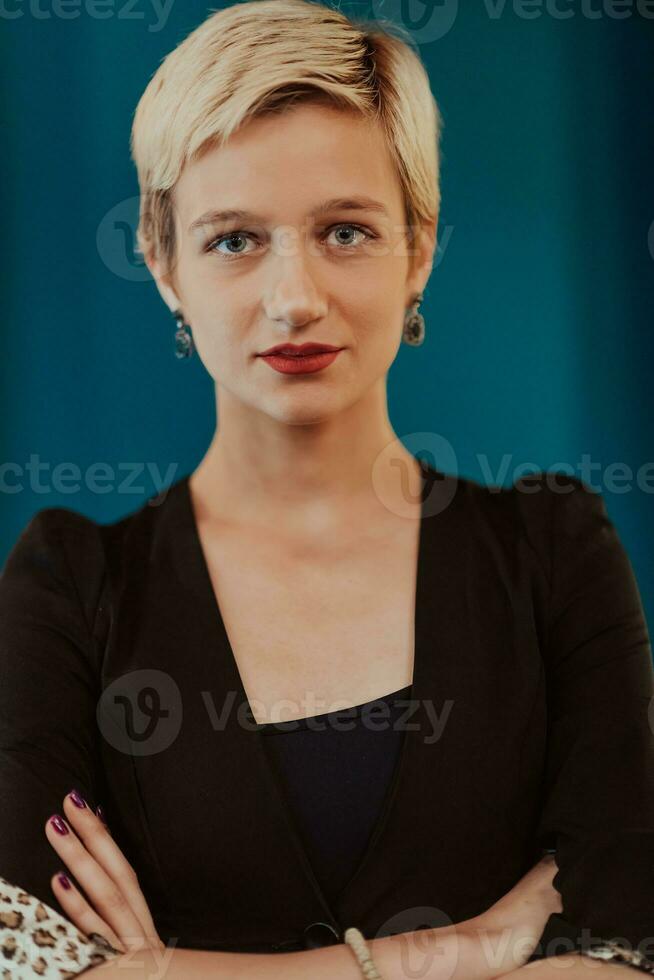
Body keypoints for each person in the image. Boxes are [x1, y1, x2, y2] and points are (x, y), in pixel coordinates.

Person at [1, 1, 653, 977]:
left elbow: (628, 937)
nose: (295, 296)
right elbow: (22, 955)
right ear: (162, 261)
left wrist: (164, 969)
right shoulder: (69, 584)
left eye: (345, 231)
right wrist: (448, 952)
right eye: (233, 239)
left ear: (419, 249)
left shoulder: (553, 551)